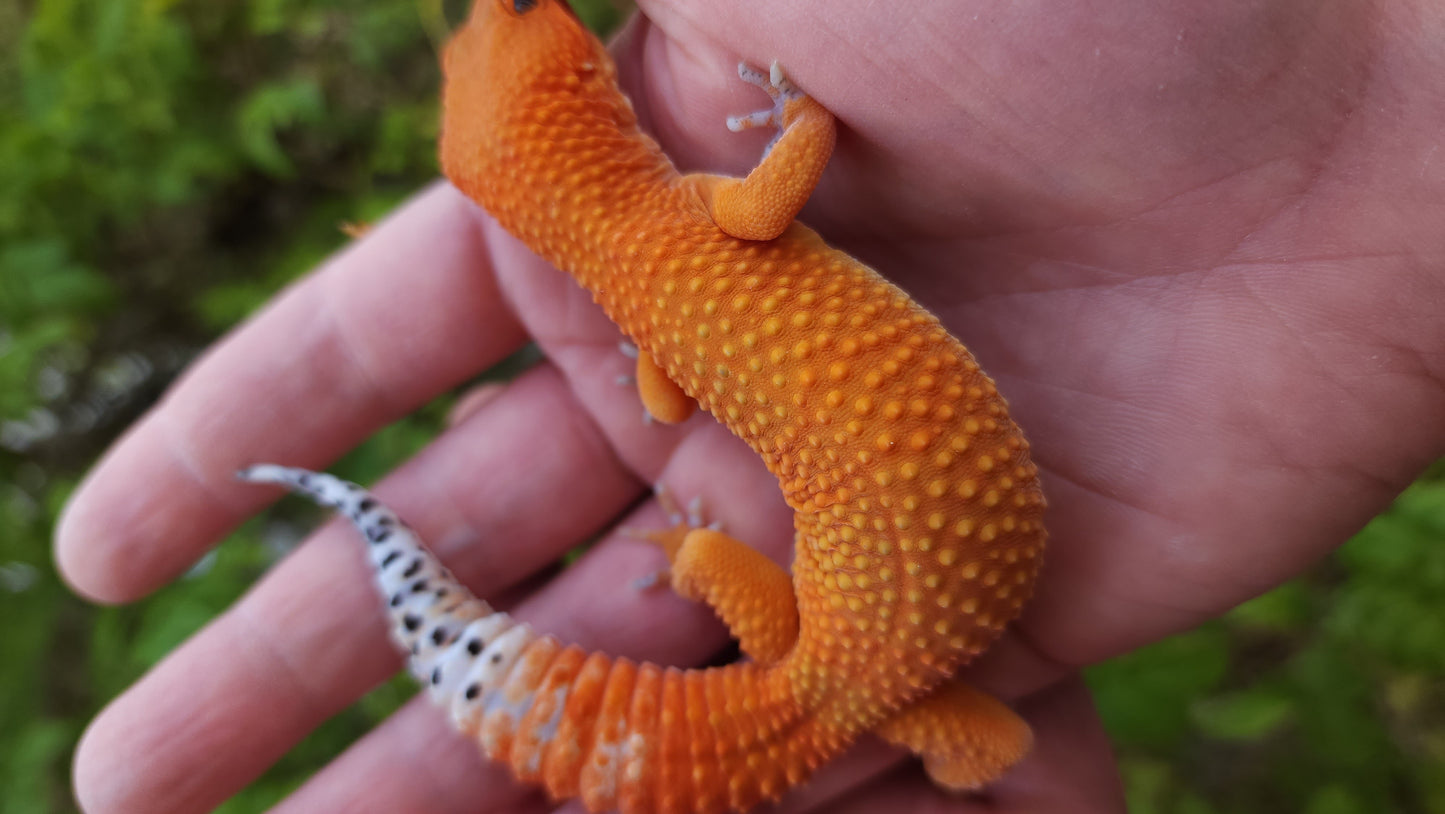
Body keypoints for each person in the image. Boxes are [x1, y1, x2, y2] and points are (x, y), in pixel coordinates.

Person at [56, 1, 1444, 811]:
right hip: (889, 596)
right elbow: (809, 147)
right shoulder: (704, 222)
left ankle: (686, 600)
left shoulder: (648, 304)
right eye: (522, 24)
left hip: (921, 648)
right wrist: (790, 118)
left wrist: (705, 528)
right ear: (582, 102)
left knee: (975, 744)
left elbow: (668, 385)